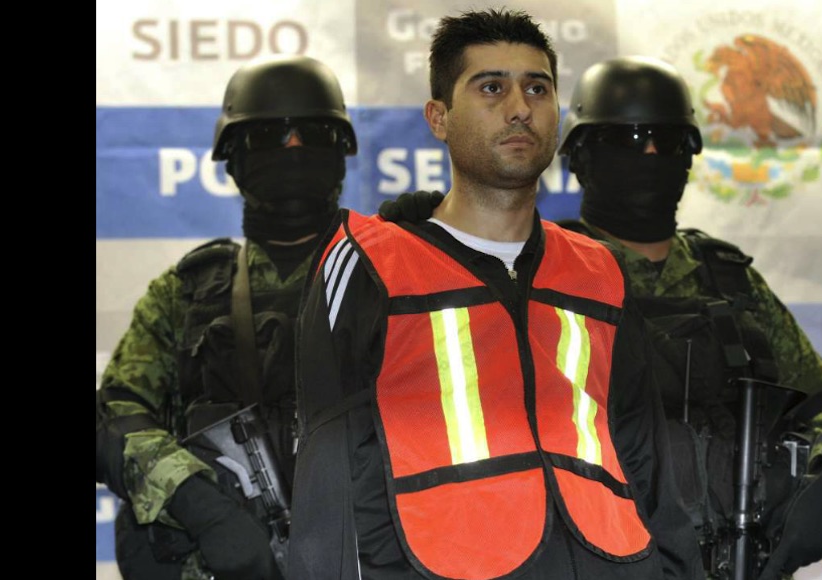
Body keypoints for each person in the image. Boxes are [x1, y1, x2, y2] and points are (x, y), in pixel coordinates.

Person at [288, 9, 704, 580]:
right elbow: (328, 481)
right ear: (439, 117)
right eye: (491, 87)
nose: (519, 108)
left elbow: (644, 458)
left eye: (537, 88)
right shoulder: (370, 261)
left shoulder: (599, 270)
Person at [553, 56, 822, 580]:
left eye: (668, 141)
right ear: (581, 155)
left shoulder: (729, 279)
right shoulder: (549, 273)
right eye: (628, 139)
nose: (650, 155)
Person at [95, 54, 358, 580]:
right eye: (267, 137)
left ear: (340, 154)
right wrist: (198, 503)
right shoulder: (185, 293)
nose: (293, 149)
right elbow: (115, 414)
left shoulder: (389, 275)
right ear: (233, 161)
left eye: (312, 135)